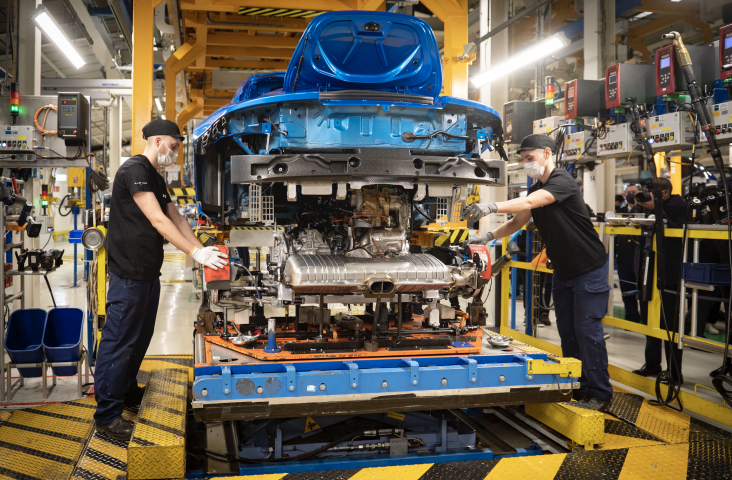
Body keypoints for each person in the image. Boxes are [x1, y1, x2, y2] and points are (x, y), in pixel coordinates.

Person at [94, 119, 229, 440]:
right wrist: (195, 255)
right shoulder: (134, 171)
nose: (177, 151)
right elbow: (157, 220)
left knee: (140, 337)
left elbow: (175, 217)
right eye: (175, 145)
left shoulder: (154, 175)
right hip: (128, 274)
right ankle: (108, 416)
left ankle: (126, 392)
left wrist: (202, 249)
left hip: (146, 272)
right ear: (157, 141)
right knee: (119, 341)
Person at [462, 134, 613, 410]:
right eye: (523, 160)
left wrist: (491, 206)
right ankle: (578, 386)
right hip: (564, 270)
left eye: (529, 158)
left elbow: (529, 205)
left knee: (587, 331)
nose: (526, 164)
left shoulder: (562, 182)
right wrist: (487, 237)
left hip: (588, 268)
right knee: (568, 331)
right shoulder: (535, 187)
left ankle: (601, 394)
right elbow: (517, 222)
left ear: (546, 153)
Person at [631, 178, 687, 384]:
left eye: (651, 192)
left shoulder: (679, 205)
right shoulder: (647, 206)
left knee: (669, 324)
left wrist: (658, 209)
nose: (646, 196)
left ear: (664, 192)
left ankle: (675, 372)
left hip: (669, 272)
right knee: (649, 321)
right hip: (648, 270)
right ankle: (652, 363)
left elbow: (676, 233)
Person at [615, 185, 642, 323]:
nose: (631, 195)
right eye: (628, 193)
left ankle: (647, 320)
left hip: (641, 258)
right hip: (624, 257)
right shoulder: (620, 212)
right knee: (626, 290)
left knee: (643, 291)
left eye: (634, 193)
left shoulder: (644, 210)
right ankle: (631, 318)